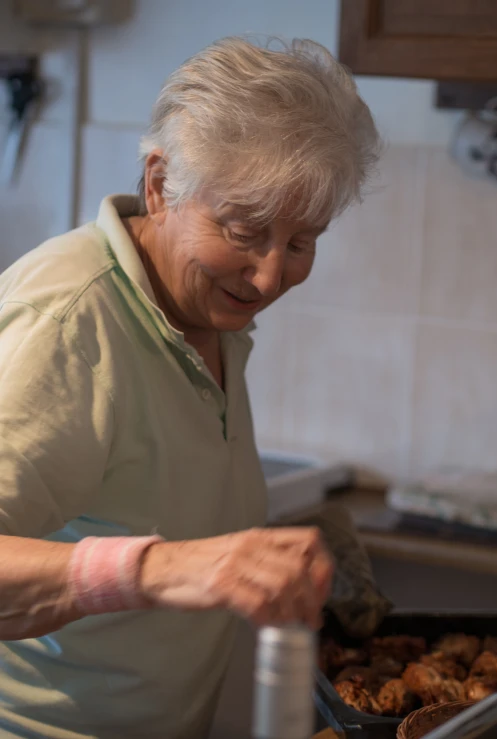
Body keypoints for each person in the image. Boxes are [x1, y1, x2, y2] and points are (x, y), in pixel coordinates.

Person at [0, 36, 380, 739]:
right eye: (244, 229)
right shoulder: (70, 324)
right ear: (158, 185)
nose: (269, 278)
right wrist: (160, 567)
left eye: (301, 243)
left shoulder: (204, 312)